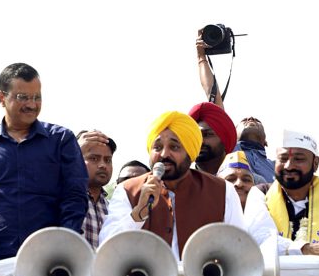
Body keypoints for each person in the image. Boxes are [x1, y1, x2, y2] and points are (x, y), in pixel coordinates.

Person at [0, 63, 88, 260]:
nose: (32, 105)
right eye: (22, 97)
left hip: (50, 261)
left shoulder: (61, 140)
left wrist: (64, 245)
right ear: (1, 98)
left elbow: (75, 197)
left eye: (37, 97)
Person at [99, 110, 244, 260]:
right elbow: (106, 250)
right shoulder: (128, 190)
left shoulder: (222, 190)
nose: (164, 154)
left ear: (190, 152)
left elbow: (239, 249)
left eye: (174, 147)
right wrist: (138, 213)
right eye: (158, 147)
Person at [195, 29, 275, 183]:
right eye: (243, 120)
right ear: (230, 134)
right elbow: (213, 99)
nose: (250, 118)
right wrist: (201, 57)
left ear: (265, 141)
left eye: (256, 121)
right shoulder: (228, 152)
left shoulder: (277, 165)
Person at [262, 130, 319, 259]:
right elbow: (259, 239)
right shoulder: (260, 194)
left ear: (315, 163)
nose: (289, 166)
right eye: (283, 159)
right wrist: (307, 249)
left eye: (299, 159)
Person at [218, 151, 277, 247]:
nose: (239, 184)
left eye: (246, 180)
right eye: (230, 179)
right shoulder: (209, 217)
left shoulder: (269, 217)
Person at [77, 130, 116, 249]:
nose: (103, 165)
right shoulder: (60, 198)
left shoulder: (113, 208)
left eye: (108, 160)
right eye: (94, 158)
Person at [188, 101, 237, 176]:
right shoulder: (177, 181)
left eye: (207, 134)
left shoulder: (247, 181)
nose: (199, 141)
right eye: (195, 136)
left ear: (224, 140)